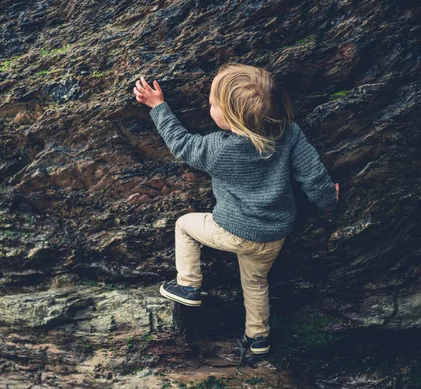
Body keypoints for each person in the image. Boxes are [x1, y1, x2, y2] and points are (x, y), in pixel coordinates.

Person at [133, 63, 339, 355]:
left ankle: (188, 285)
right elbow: (314, 178)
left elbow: (181, 144)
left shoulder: (219, 149)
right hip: (273, 236)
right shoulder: (290, 134)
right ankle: (258, 338)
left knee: (184, 225)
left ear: (232, 119)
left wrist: (159, 107)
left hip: (232, 231)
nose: (209, 106)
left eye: (213, 104)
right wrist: (330, 200)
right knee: (255, 283)